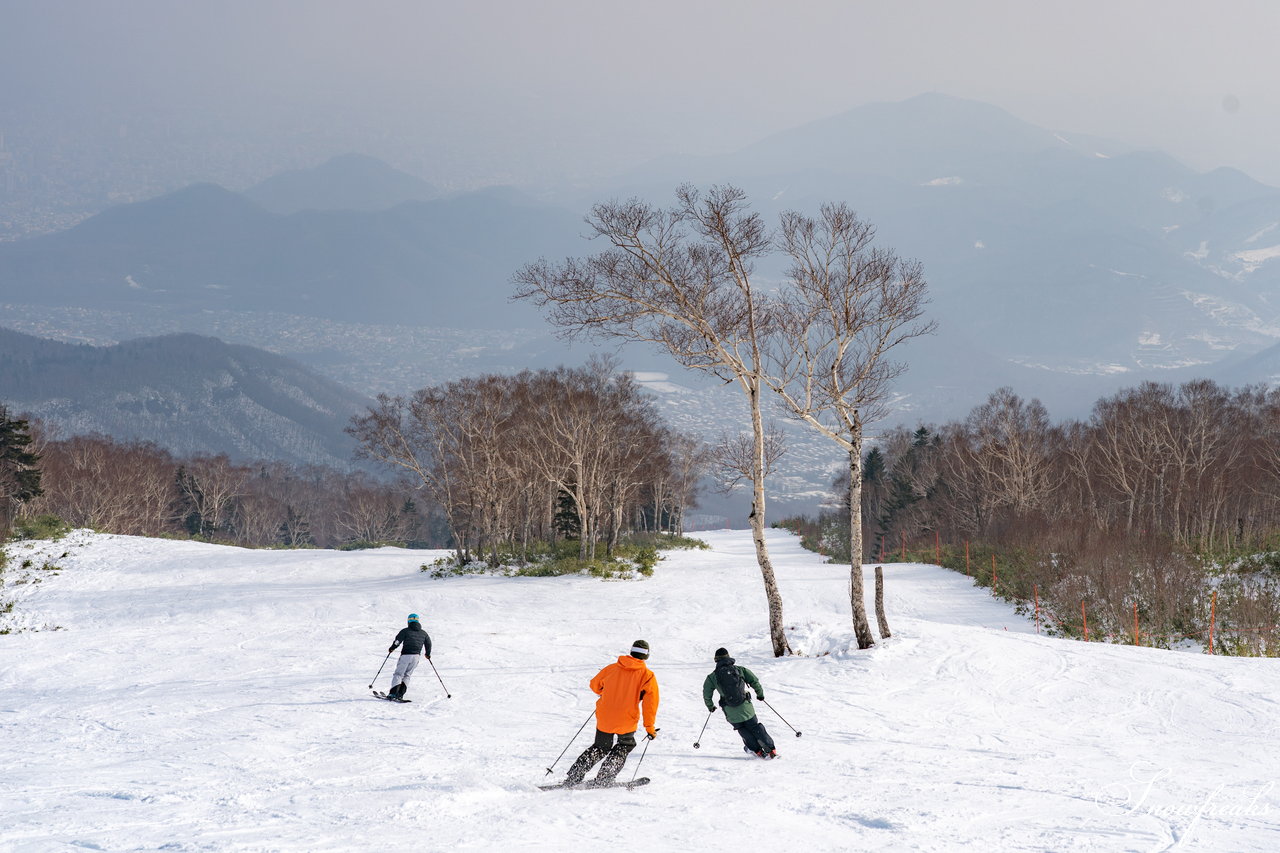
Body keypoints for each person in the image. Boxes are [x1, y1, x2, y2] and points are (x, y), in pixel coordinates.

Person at [563, 639, 660, 787]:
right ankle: (605, 776)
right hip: (627, 718)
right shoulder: (647, 676)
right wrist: (649, 728)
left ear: (631, 652)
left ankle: (574, 776)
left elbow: (594, 685)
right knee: (625, 745)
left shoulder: (612, 668)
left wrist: (606, 692)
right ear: (646, 656)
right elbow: (650, 704)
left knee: (600, 746)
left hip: (605, 716)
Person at [703, 647, 776, 759]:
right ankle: (771, 749)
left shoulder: (712, 677)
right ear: (728, 657)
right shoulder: (740, 670)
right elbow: (754, 681)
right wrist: (760, 694)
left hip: (730, 711)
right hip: (746, 707)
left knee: (742, 730)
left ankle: (757, 751)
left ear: (716, 660)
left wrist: (710, 706)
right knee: (754, 726)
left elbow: (706, 693)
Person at [386, 613, 432, 700]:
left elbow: (397, 641)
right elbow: (428, 643)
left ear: (408, 621)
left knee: (398, 674)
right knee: (407, 675)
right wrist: (427, 654)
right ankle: (400, 694)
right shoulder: (423, 633)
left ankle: (393, 694)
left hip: (406, 655)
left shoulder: (405, 631)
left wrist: (392, 648)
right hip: (416, 657)